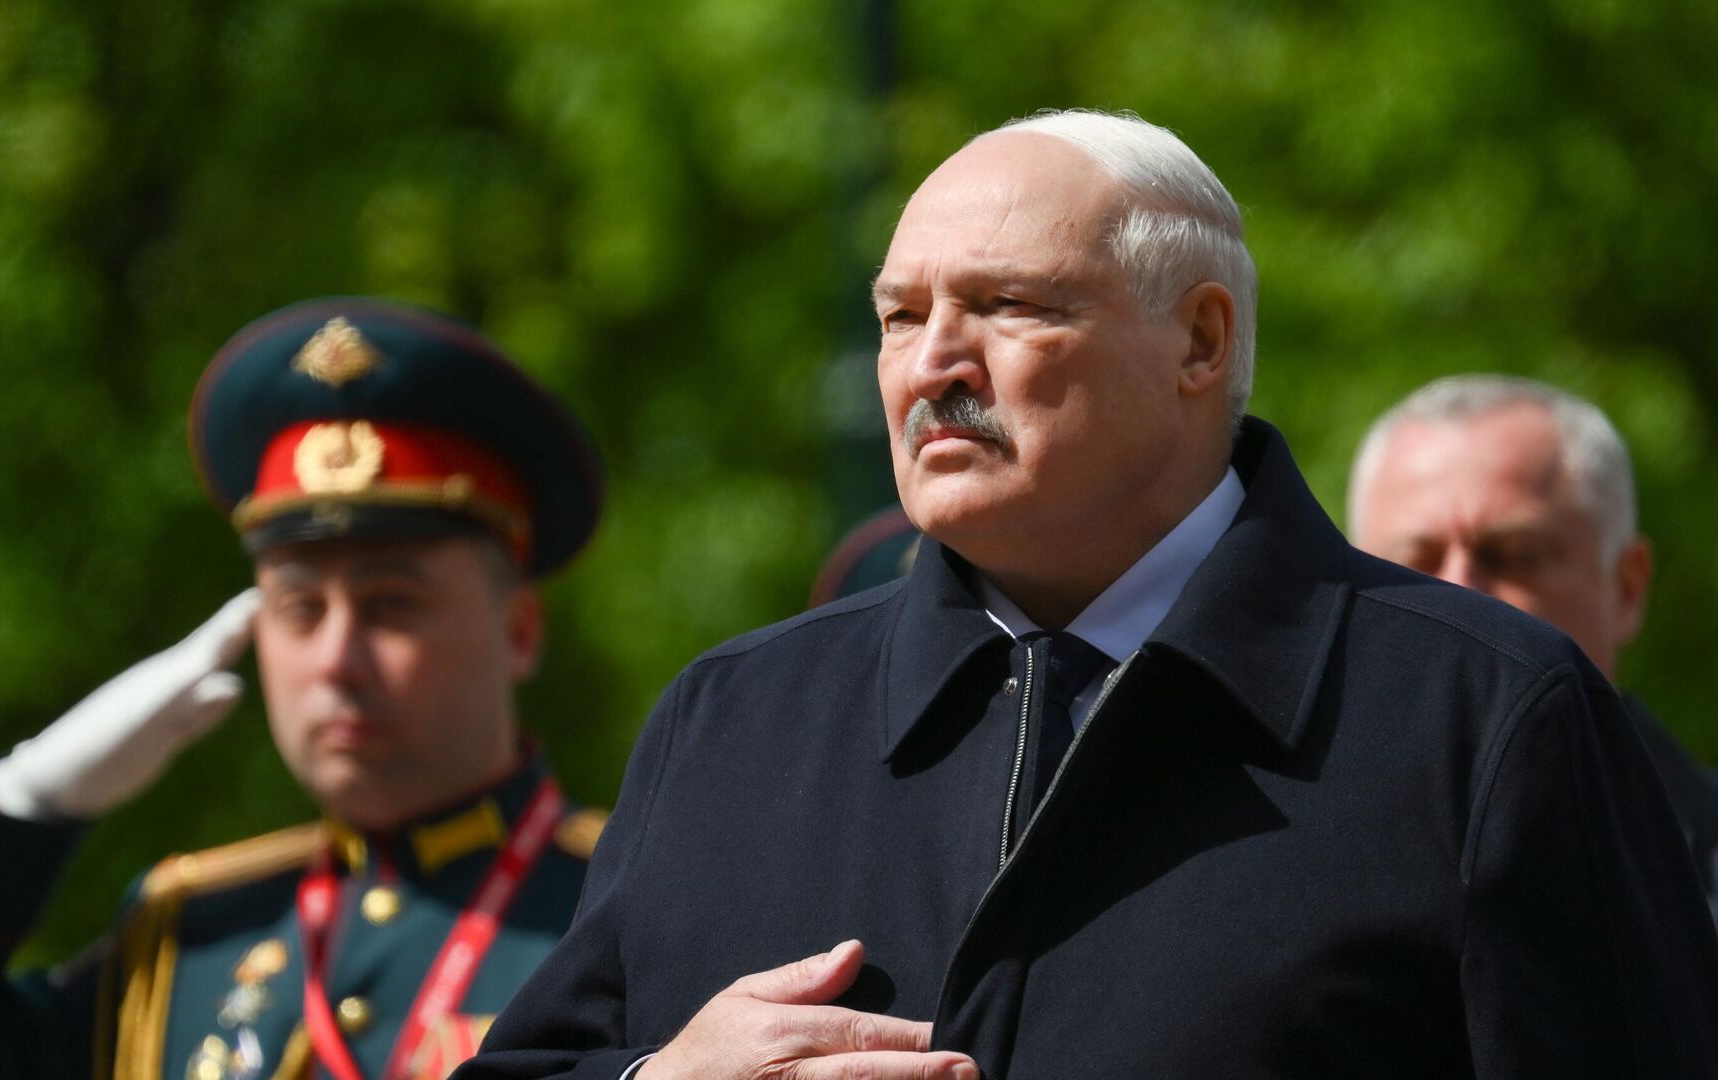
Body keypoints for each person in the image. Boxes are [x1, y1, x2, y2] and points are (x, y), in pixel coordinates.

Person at [458, 110, 1718, 1080]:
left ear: (1200, 342)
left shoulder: (1482, 717)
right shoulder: (733, 718)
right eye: (900, 316)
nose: (934, 364)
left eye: (1009, 305)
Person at [0, 297, 609, 1080]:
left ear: (519, 630)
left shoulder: (624, 909)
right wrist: (15, 808)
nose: (336, 659)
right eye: (299, 609)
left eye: (391, 605)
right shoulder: (189, 941)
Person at [1349, 374, 1718, 918]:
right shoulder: (1272, 863)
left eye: (1514, 556)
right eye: (1413, 565)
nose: (1457, 595)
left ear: (1626, 588)